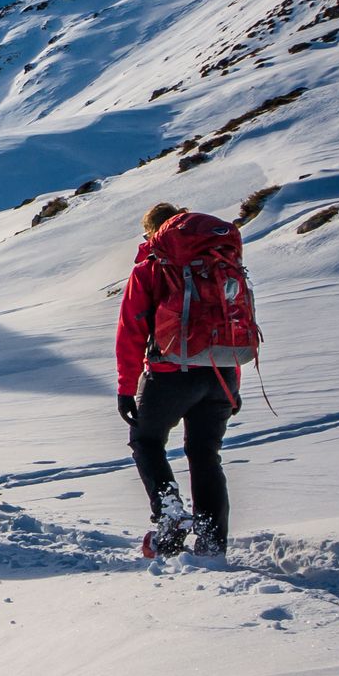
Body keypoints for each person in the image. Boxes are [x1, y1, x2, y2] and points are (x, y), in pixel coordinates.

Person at [117, 201, 241, 555]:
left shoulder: (151, 268)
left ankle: (170, 516)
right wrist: (234, 387)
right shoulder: (221, 265)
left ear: (155, 234)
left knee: (146, 439)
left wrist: (126, 390)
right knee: (205, 453)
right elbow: (230, 325)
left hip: (171, 373)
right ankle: (212, 541)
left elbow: (131, 331)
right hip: (222, 372)